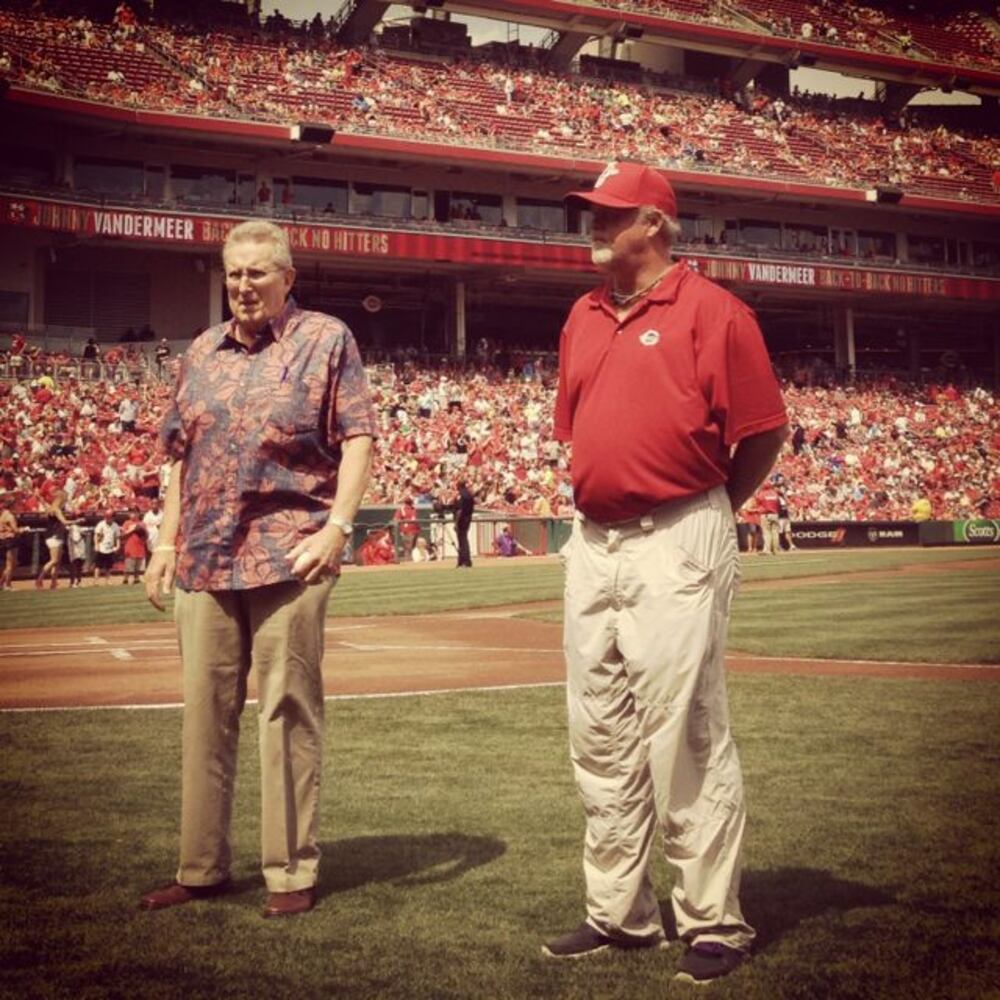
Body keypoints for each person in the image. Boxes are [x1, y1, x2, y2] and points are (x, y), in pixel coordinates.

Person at [544, 162, 788, 986]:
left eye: (609, 213)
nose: (593, 224)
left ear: (654, 223)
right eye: (589, 211)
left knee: (685, 731)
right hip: (594, 540)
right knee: (599, 733)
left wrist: (711, 509)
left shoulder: (714, 310)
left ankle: (713, 920)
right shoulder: (582, 314)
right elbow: (584, 429)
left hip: (677, 530)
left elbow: (762, 431)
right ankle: (619, 913)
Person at [140, 219, 377, 920]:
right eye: (235, 273)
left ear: (287, 278)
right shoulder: (201, 351)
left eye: (257, 272)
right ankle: (200, 868)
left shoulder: (326, 339)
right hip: (205, 557)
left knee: (286, 713)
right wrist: (164, 543)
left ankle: (290, 871)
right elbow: (178, 456)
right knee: (204, 718)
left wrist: (338, 528)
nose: (244, 285)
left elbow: (359, 437)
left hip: (289, 552)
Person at [36, 489, 72, 589]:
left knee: (57, 562)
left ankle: (53, 583)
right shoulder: (56, 509)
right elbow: (65, 522)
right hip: (54, 536)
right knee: (54, 560)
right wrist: (78, 521)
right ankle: (39, 579)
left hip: (55, 536)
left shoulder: (50, 507)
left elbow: (43, 502)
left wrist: (39, 497)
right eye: (65, 498)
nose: (65, 500)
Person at [92, 511, 121, 584]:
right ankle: (96, 581)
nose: (107, 519)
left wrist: (118, 546)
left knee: (108, 566)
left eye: (109, 517)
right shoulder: (101, 524)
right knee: (98, 566)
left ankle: (107, 581)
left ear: (113, 518)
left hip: (110, 548)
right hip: (101, 547)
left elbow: (117, 537)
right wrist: (96, 545)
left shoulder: (115, 525)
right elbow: (96, 535)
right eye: (106, 517)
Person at [120, 508, 147, 584]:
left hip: (139, 546)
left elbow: (146, 536)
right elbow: (122, 535)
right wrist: (132, 530)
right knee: (128, 565)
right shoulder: (126, 523)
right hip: (130, 546)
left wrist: (142, 531)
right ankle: (125, 579)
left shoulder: (142, 523)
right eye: (131, 513)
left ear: (138, 514)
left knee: (138, 565)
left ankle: (136, 578)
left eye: (135, 513)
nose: (133, 514)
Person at [452, 480, 474, 568]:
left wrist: (456, 522)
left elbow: (460, 510)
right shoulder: (469, 494)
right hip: (468, 518)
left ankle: (464, 561)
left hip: (461, 519)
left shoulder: (461, 495)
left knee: (462, 541)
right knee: (464, 539)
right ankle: (464, 560)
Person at [0, 498, 20, 590]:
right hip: (10, 539)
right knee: (11, 564)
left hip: (4, 539)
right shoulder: (10, 516)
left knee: (11, 563)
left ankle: (1, 583)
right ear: (12, 505)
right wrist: (23, 530)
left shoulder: (2, 514)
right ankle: (8, 585)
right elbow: (15, 530)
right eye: (15, 504)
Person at [394, 496, 420, 560]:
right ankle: (408, 561)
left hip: (414, 530)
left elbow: (415, 519)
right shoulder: (401, 509)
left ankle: (411, 560)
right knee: (408, 548)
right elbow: (396, 519)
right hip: (407, 531)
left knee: (412, 548)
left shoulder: (413, 508)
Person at [67, 522, 87, 587]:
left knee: (80, 566)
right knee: (74, 566)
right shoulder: (73, 527)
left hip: (80, 549)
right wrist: (82, 535)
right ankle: (72, 582)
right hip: (74, 550)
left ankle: (78, 582)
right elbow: (76, 540)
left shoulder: (79, 527)